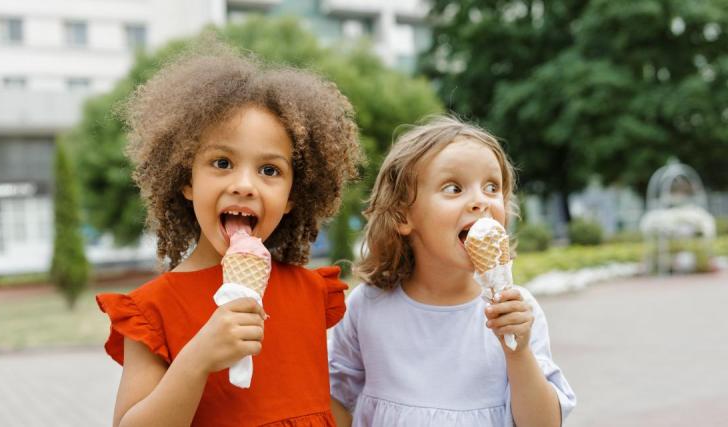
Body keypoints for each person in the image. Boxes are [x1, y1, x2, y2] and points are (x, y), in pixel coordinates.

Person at [96, 46, 362, 427]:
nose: (244, 185)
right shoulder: (151, 311)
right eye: (222, 163)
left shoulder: (311, 293)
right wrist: (197, 359)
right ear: (187, 180)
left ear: (292, 197)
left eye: (270, 170)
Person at [328, 115, 575, 427]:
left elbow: (543, 424)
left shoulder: (518, 311)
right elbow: (332, 399)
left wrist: (518, 351)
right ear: (403, 215)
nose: (480, 201)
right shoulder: (367, 307)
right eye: (454, 188)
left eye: (492, 187)